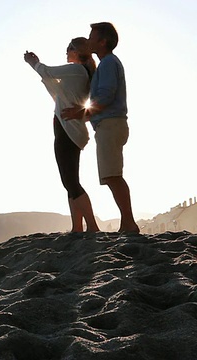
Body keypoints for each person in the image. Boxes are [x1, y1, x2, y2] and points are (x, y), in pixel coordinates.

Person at [61, 22, 139, 233]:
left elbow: (104, 97)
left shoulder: (109, 63)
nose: (89, 40)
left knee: (113, 175)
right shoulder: (105, 64)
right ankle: (127, 223)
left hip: (111, 124)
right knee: (111, 175)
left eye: (92, 37)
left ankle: (129, 223)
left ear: (103, 41)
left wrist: (79, 115)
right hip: (109, 124)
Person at [24, 37, 100, 232]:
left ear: (77, 51)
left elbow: (48, 71)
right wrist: (42, 73)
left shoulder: (77, 70)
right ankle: (77, 227)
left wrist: (34, 63)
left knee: (70, 180)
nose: (66, 51)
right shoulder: (79, 73)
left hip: (69, 131)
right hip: (67, 129)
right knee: (70, 179)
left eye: (69, 48)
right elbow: (56, 92)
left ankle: (92, 226)